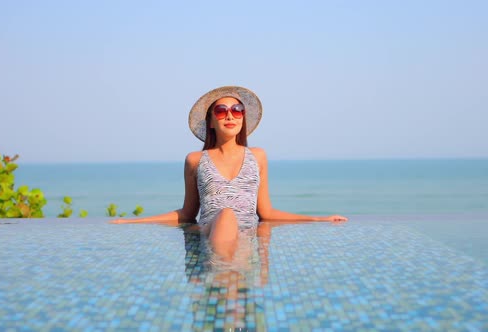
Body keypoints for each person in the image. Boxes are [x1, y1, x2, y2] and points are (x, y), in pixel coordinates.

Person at [112, 86, 348, 252]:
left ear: (243, 118)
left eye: (237, 110)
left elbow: (266, 213)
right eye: (221, 111)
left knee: (233, 225)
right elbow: (186, 213)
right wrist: (132, 222)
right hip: (209, 233)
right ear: (211, 121)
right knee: (225, 215)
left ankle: (225, 280)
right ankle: (225, 277)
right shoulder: (195, 160)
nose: (230, 116)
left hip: (246, 239)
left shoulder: (257, 156)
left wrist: (319, 218)